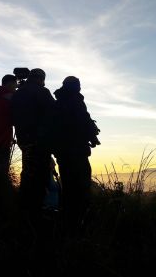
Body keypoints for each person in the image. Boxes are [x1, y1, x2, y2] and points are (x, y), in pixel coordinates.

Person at [52, 76, 100, 231]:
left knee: (67, 184)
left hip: (61, 152)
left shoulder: (57, 103)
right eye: (78, 85)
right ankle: (80, 221)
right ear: (75, 87)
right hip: (76, 151)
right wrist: (92, 136)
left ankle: (66, 218)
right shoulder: (76, 101)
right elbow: (83, 121)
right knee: (82, 184)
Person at [11, 68, 55, 215]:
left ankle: (23, 207)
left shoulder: (18, 93)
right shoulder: (42, 92)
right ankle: (35, 210)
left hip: (23, 140)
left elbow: (11, 116)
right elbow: (53, 112)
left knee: (28, 171)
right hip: (39, 141)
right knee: (39, 175)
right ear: (41, 79)